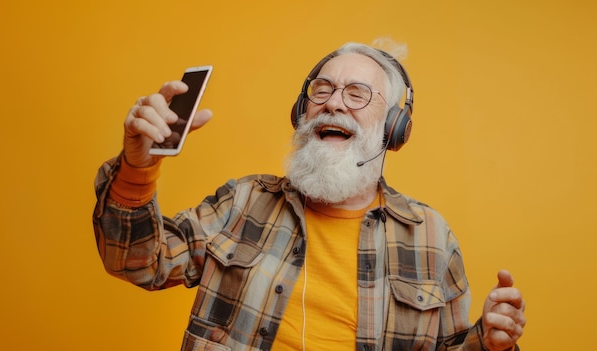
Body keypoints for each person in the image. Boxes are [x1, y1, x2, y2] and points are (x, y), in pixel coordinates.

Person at [92, 41, 526, 351]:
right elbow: (135, 261)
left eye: (357, 93)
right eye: (323, 89)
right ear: (303, 111)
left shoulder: (431, 237)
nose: (334, 103)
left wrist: (487, 343)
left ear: (394, 126)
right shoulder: (243, 202)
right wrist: (136, 168)